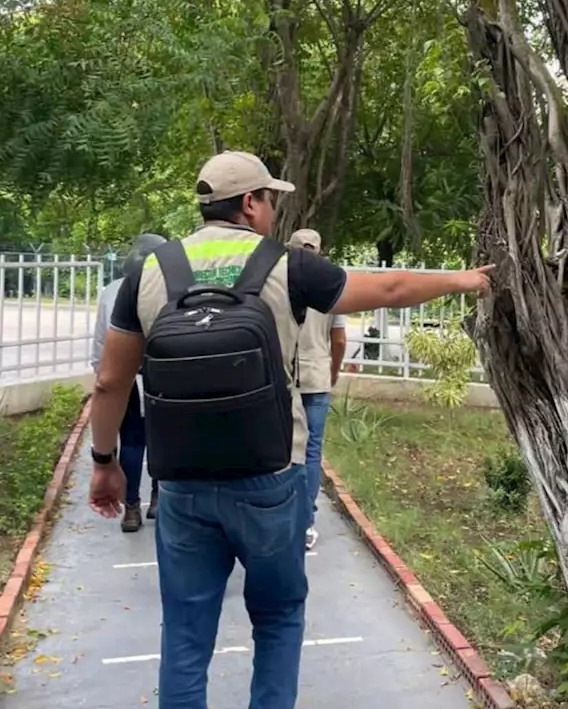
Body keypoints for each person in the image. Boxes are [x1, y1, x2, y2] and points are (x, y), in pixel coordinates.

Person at [87, 151, 493, 709]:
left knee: (184, 631)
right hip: (269, 477)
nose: (274, 211)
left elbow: (111, 382)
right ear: (250, 203)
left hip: (181, 483)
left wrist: (105, 463)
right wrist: (466, 279)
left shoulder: (149, 273)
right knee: (277, 618)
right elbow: (390, 290)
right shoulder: (287, 265)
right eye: (270, 199)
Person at [91, 233, 167, 532]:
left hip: (121, 378)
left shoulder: (111, 291)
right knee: (161, 438)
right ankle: (157, 498)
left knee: (131, 441)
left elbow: (101, 343)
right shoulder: (167, 288)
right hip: (159, 375)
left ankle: (131, 508)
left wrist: (103, 377)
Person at [288, 229, 347, 550]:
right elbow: (339, 340)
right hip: (318, 376)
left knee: (285, 451)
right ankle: (306, 524)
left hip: (285, 377)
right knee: (311, 453)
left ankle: (283, 518)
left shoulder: (278, 280)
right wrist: (333, 371)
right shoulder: (330, 284)